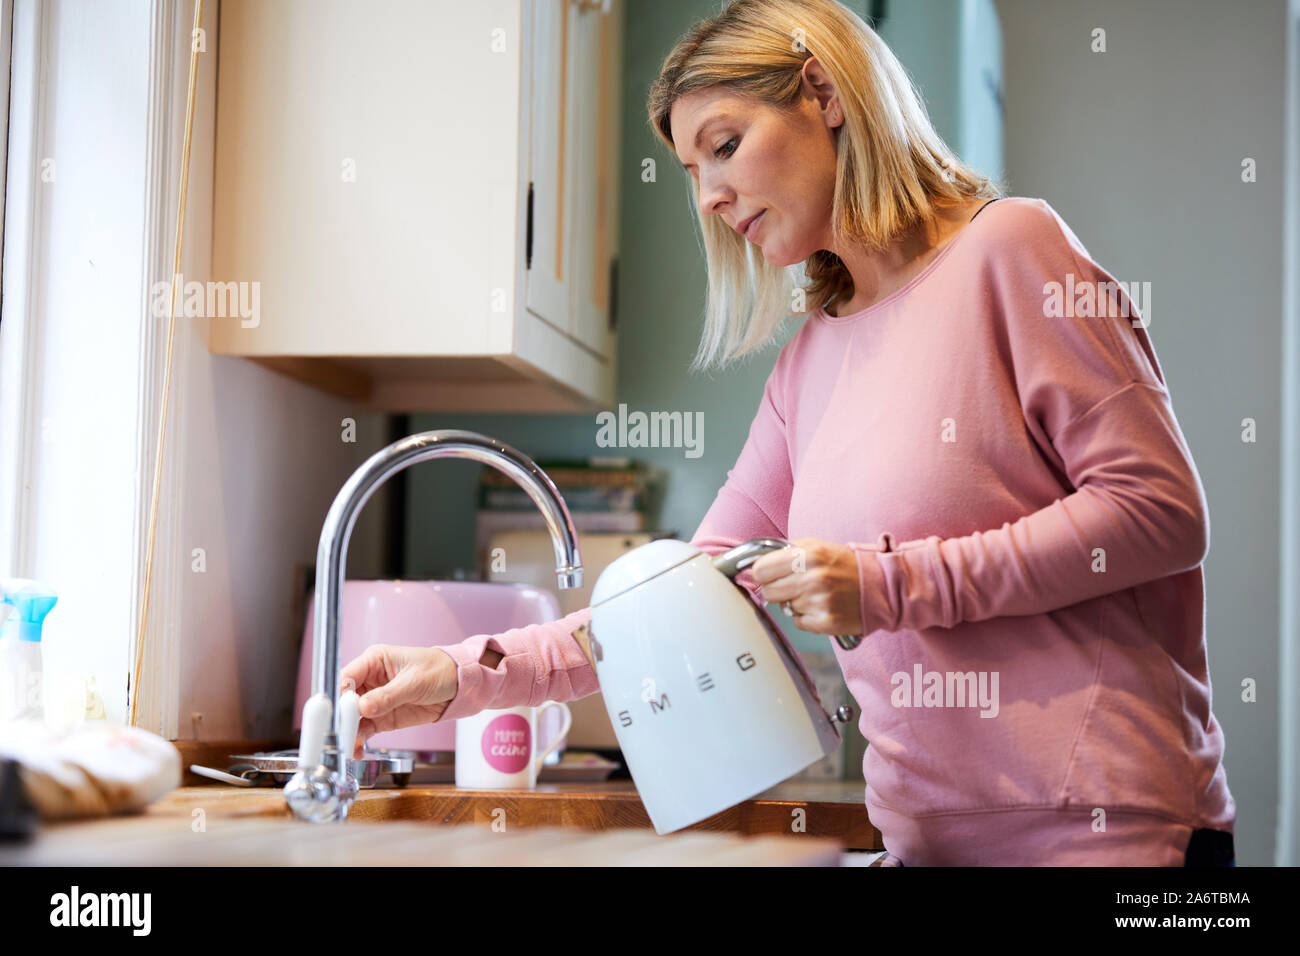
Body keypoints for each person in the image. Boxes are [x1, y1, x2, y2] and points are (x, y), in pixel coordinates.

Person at [341, 0, 1235, 866]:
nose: (710, 199)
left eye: (724, 147)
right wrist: (464, 678)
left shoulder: (1012, 250)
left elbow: (1159, 512)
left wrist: (890, 585)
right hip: (923, 841)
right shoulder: (810, 364)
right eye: (693, 174)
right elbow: (682, 596)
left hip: (1113, 838)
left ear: (825, 94)